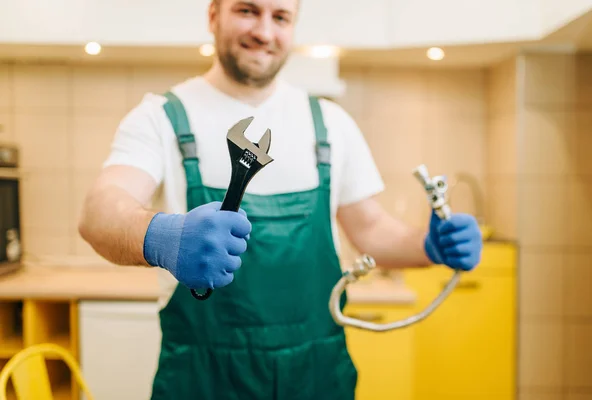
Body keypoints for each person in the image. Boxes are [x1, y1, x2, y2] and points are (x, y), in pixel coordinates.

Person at [78, 0, 483, 398]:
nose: (265, 31)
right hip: (203, 377)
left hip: (317, 376)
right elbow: (99, 212)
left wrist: (428, 246)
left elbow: (372, 229)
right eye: (247, 10)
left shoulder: (330, 123)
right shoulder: (161, 116)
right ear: (213, 15)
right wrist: (162, 235)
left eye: (281, 16)